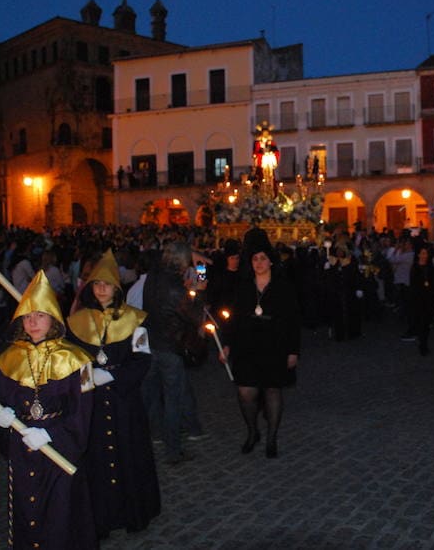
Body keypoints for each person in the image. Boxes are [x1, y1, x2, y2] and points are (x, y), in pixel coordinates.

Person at [0, 271, 97, 549]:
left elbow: (82, 417)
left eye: (40, 315)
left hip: (60, 453)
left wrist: (53, 435)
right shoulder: (7, 359)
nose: (33, 322)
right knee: (28, 514)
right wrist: (3, 423)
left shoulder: (78, 360)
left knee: (61, 518)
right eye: (27, 316)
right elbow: (3, 405)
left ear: (53, 319)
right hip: (24, 452)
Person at [66, 249, 161, 536]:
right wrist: (86, 377)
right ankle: (101, 519)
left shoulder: (136, 320)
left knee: (128, 454)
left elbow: (143, 359)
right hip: (92, 403)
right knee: (95, 460)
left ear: (117, 288)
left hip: (124, 401)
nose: (102, 289)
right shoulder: (77, 322)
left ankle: (133, 513)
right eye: (97, 284)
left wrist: (111, 375)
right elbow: (69, 359)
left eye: (107, 284)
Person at [221, 228, 300, 458]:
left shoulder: (283, 287)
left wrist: (293, 350)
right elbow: (234, 318)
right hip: (247, 345)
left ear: (271, 261)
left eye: (263, 258)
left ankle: (272, 438)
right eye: (255, 259)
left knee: (272, 390)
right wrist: (227, 344)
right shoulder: (243, 286)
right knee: (246, 391)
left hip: (275, 345)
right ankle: (253, 431)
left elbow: (293, 320)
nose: (259, 263)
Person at [142, 242, 207, 464]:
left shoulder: (153, 275)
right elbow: (195, 316)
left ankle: (156, 434)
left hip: (151, 342)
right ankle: (173, 450)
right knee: (173, 398)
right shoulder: (176, 289)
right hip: (170, 346)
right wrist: (198, 293)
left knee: (152, 394)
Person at [408, 245, 434, 355]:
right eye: (422, 253)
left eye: (426, 253)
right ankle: (422, 343)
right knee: (421, 322)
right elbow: (413, 284)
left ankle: (424, 341)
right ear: (419, 254)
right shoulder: (415, 267)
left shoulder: (430, 267)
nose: (424, 256)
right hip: (418, 299)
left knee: (427, 322)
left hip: (429, 299)